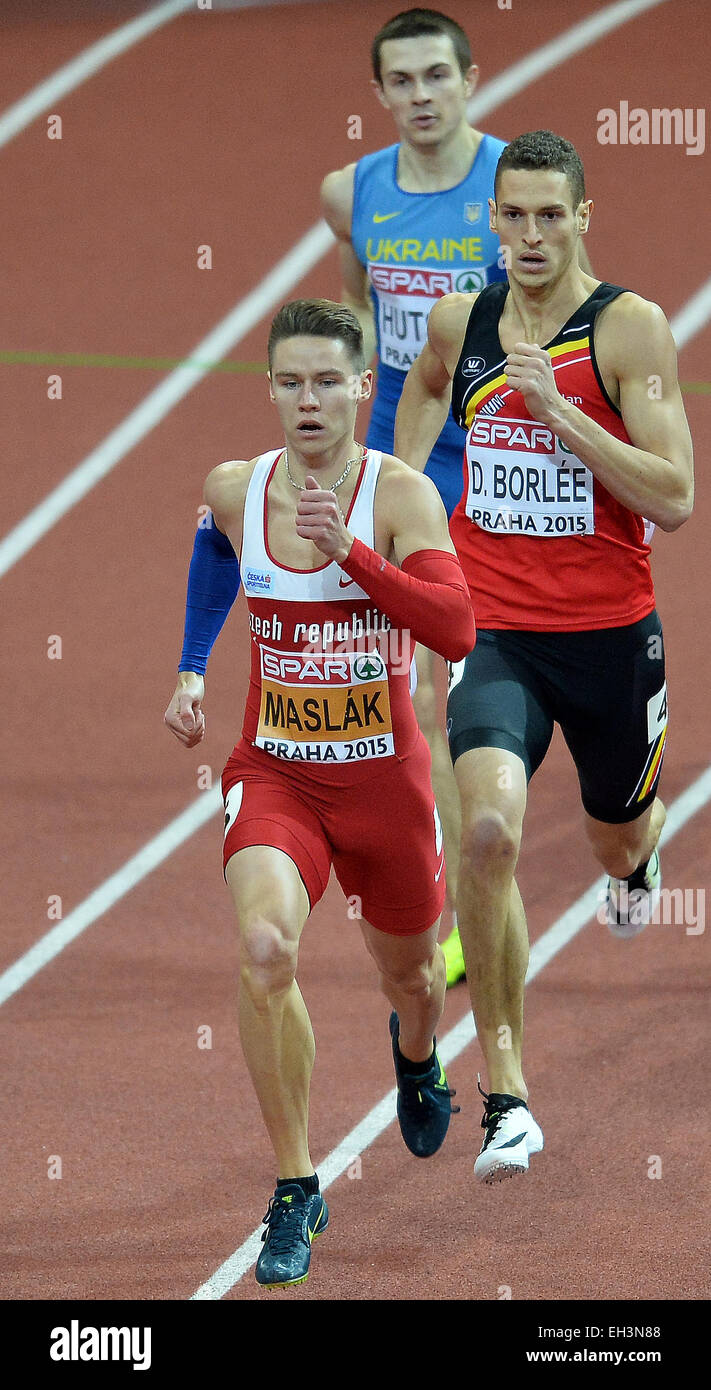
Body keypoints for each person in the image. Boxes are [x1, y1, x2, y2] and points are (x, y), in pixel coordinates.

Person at [393, 130, 694, 1183]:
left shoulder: (629, 330)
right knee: (484, 830)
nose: (529, 234)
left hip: (612, 636)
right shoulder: (461, 323)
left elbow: (676, 497)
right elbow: (427, 387)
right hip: (497, 629)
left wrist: (561, 414)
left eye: (548, 215)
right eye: (511, 214)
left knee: (617, 844)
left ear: (583, 216)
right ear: (495, 219)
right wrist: (413, 496)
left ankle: (639, 856)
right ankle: (507, 1092)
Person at [164, 299, 474, 1287]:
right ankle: (297, 1185)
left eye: (327, 381)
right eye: (290, 381)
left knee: (416, 981)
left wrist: (351, 551)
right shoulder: (235, 488)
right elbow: (216, 552)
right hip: (278, 772)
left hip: (385, 785)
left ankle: (417, 1057)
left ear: (362, 389)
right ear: (270, 388)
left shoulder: (400, 497)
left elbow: (456, 628)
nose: (308, 399)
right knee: (264, 946)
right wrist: (190, 668)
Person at [321, 9, 592, 987]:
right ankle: (458, 912)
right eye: (402, 81)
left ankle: (600, 747)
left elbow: (571, 293)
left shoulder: (507, 189)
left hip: (512, 461)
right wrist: (351, 365)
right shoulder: (353, 194)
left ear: (472, 79)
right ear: (381, 94)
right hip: (413, 453)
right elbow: (358, 294)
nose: (422, 96)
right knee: (424, 689)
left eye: (438, 75)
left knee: (547, 647)